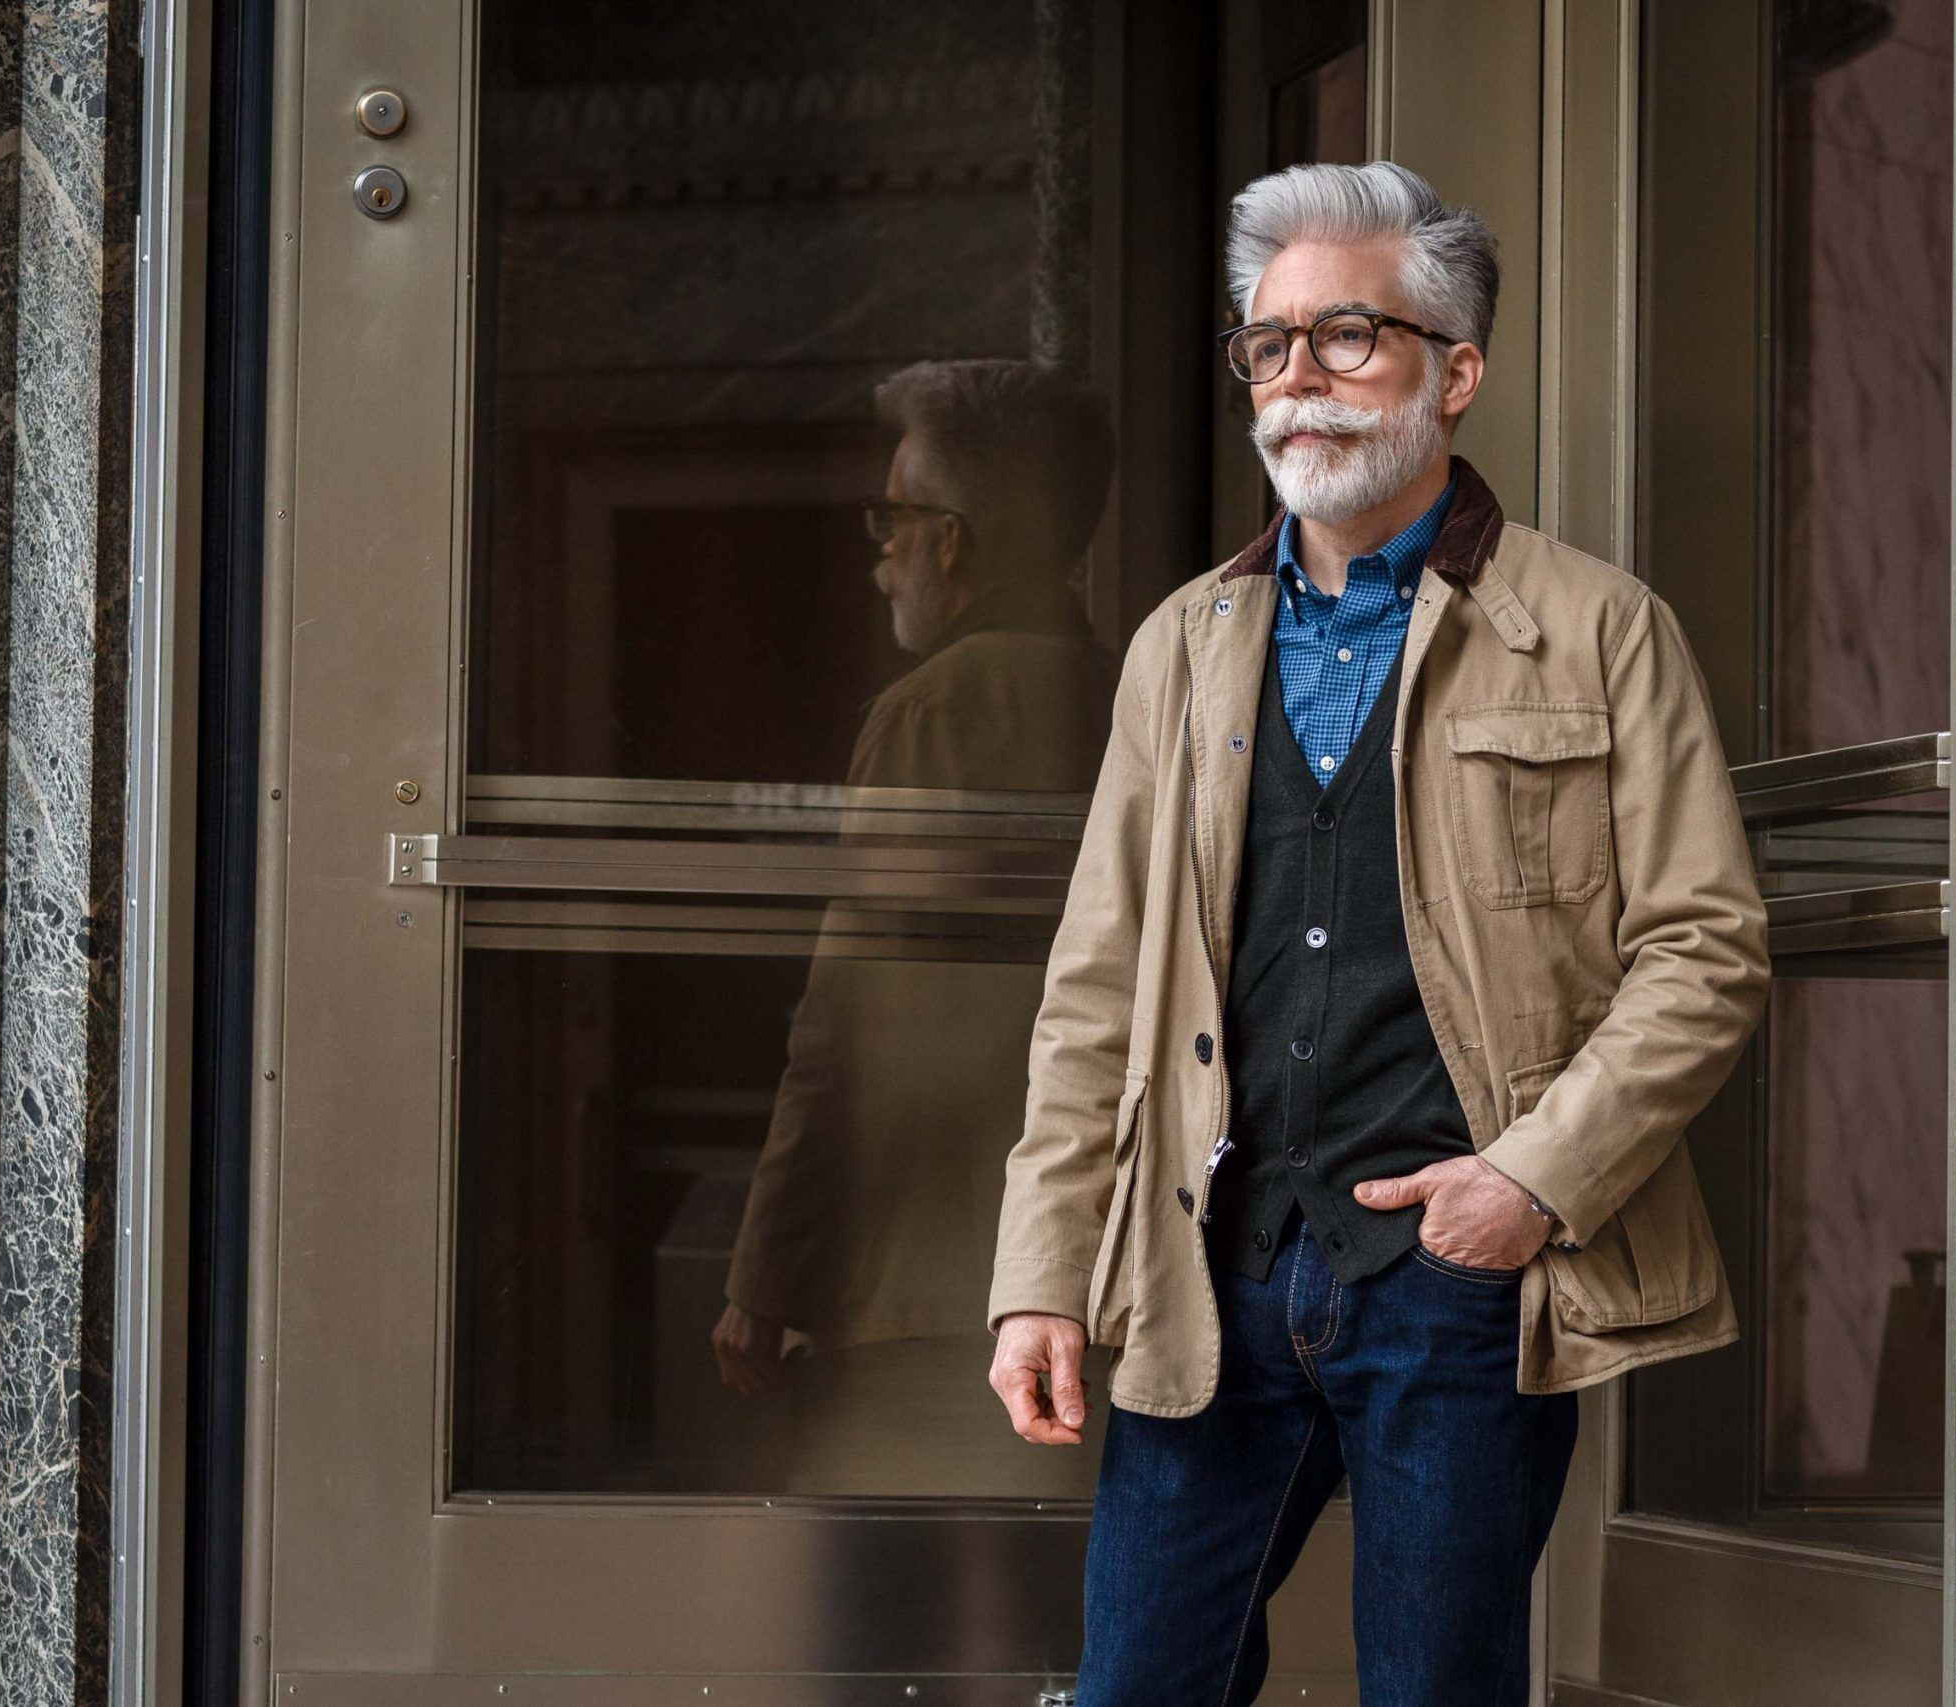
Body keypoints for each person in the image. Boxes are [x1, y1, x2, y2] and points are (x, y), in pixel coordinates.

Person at [984, 160, 1771, 1704]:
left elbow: (1707, 945)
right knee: (1138, 1680)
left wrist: (1527, 1186)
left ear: (1456, 371)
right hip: (1204, 1263)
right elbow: (1094, 990)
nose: (1298, 380)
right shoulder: (1181, 645)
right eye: (1267, 345)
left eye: (1348, 335)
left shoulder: (1602, 628)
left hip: (1456, 1279)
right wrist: (1041, 1269)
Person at [709, 359, 1118, 1496]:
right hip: (1087, 1266)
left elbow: (845, 1017)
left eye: (892, 519)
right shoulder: (1134, 689)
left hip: (923, 1280)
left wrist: (766, 1274)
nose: (877, 551)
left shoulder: (936, 710)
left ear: (954, 539)